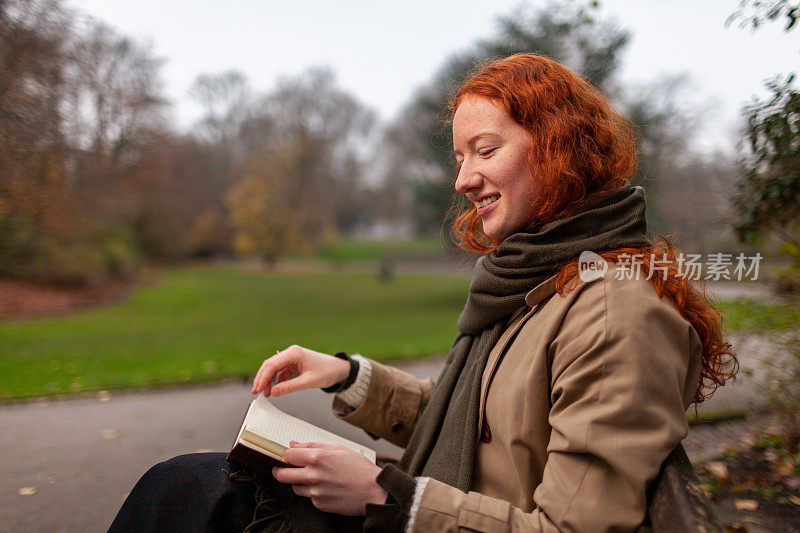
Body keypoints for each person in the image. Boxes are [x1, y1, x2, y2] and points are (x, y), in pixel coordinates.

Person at [108, 53, 737, 532]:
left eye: (485, 150)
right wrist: (346, 376)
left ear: (559, 152)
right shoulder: (539, 279)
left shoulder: (614, 309)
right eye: (459, 157)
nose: (463, 180)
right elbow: (484, 425)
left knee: (192, 492)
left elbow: (572, 528)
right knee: (189, 487)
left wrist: (388, 495)